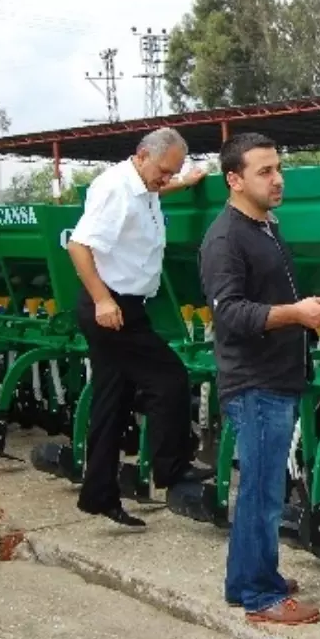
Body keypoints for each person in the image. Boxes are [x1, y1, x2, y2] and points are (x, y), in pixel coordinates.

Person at [199, 133, 320, 625]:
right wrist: (295, 313)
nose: (277, 179)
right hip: (254, 382)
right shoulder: (225, 238)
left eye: (278, 168)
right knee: (263, 493)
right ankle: (262, 597)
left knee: (261, 488)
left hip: (277, 377)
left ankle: (246, 581)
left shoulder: (264, 227)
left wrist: (304, 312)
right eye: (264, 171)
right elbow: (232, 313)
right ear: (234, 179)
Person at [66, 127, 212, 527]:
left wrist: (183, 183)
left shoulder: (141, 183)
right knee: (170, 379)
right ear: (142, 155)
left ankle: (99, 495)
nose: (165, 179)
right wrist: (102, 300)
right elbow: (78, 245)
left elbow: (151, 192)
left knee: (110, 403)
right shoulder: (116, 188)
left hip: (123, 307)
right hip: (112, 311)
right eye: (164, 171)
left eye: (173, 173)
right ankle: (172, 469)